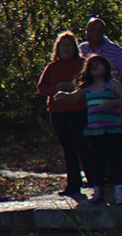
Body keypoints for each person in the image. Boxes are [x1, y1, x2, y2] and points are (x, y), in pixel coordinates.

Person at [36, 31, 89, 198]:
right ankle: (73, 184)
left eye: (69, 45)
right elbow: (41, 87)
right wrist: (57, 88)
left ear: (75, 47)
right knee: (68, 148)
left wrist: (73, 88)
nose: (66, 48)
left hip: (79, 110)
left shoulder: (83, 64)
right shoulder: (52, 67)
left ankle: (95, 181)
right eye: (63, 45)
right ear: (57, 48)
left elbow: (90, 84)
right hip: (58, 112)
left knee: (82, 146)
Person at [79, 50, 122, 205]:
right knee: (96, 160)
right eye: (92, 65)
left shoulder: (113, 84)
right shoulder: (87, 88)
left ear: (106, 66)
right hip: (94, 129)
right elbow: (74, 97)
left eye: (99, 64)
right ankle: (98, 192)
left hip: (113, 128)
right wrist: (63, 95)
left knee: (114, 159)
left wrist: (112, 103)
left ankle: (118, 192)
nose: (96, 67)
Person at [80, 11, 122, 81]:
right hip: (87, 89)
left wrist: (118, 88)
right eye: (87, 30)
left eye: (92, 30)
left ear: (102, 32)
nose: (88, 33)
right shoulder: (82, 48)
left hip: (106, 89)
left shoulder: (114, 50)